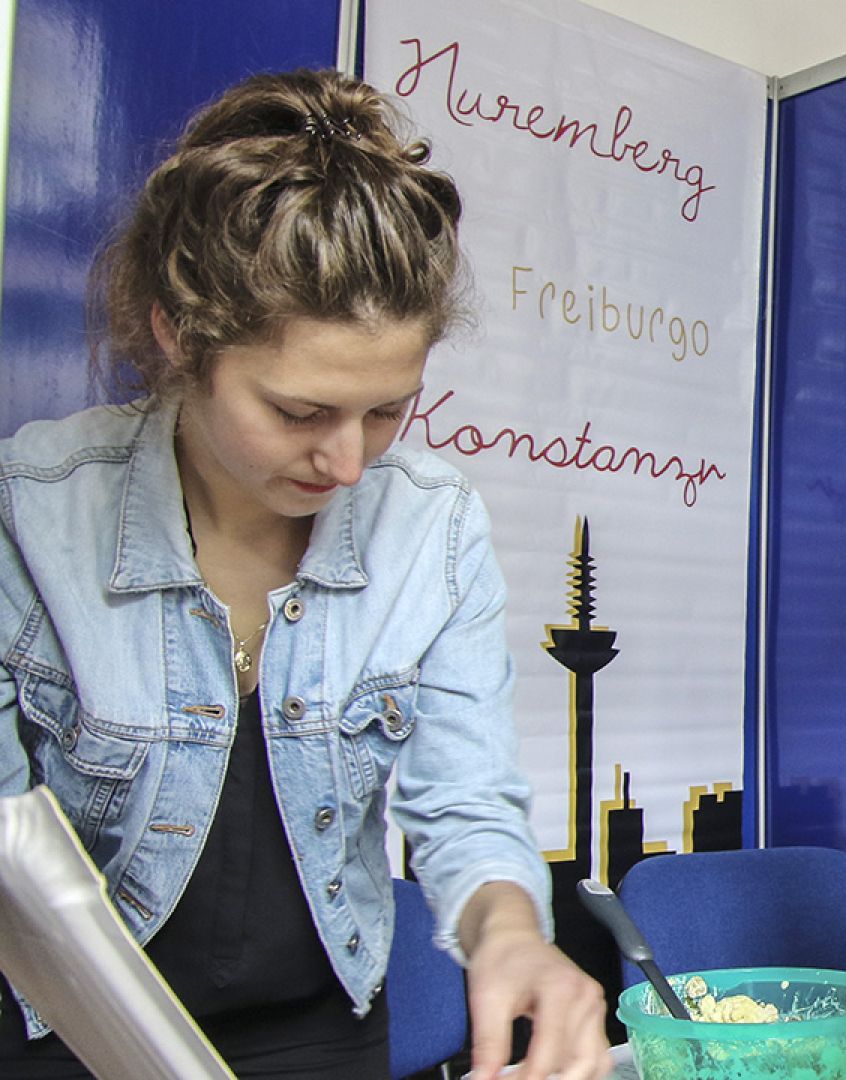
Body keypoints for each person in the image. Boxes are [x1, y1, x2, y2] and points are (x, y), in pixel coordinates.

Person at [0, 70, 607, 1079]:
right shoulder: (27, 513)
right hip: (63, 1032)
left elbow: (466, 803)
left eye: (388, 410)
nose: (348, 462)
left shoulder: (434, 525)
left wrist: (509, 932)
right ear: (177, 335)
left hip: (321, 1032)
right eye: (297, 412)